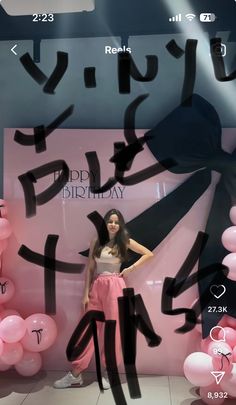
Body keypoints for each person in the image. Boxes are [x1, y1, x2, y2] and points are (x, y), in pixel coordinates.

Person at [54, 208, 154, 389]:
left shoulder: (124, 241)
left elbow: (148, 254)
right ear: (105, 224)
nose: (113, 225)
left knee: (112, 331)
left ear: (120, 225)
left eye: (116, 222)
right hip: (97, 286)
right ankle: (76, 373)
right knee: (87, 330)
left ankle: (110, 372)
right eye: (110, 221)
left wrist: (131, 268)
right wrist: (85, 293)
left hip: (115, 285)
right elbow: (91, 268)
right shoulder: (96, 241)